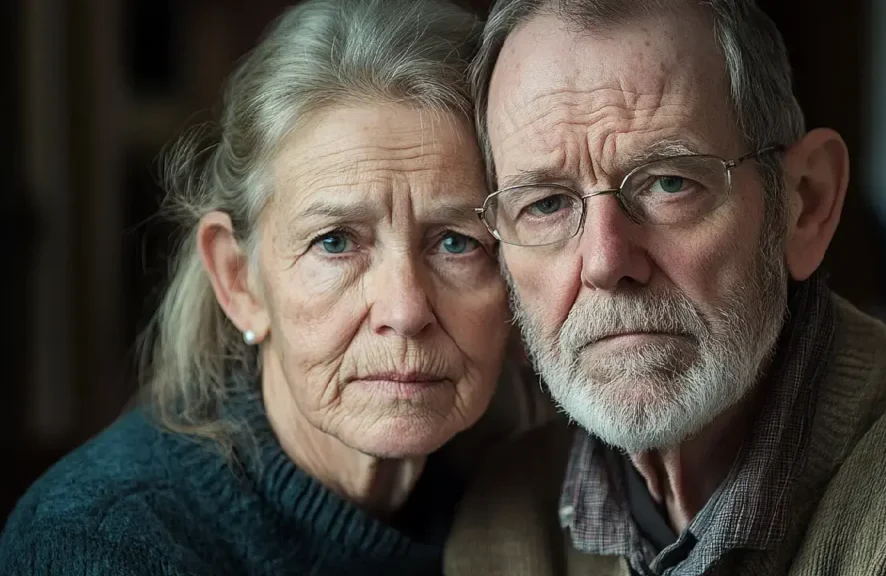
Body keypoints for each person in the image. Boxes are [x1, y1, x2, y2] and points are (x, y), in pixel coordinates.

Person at [444, 0, 886, 575]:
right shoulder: (504, 521)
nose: (604, 262)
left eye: (669, 183)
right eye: (544, 204)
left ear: (805, 204)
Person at [0, 0, 543, 574]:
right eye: (335, 242)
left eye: (456, 242)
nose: (406, 310)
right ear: (239, 282)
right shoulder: (100, 543)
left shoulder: (543, 513)